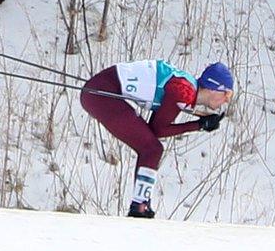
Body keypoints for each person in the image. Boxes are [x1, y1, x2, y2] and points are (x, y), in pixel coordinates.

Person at [79, 59, 234, 219]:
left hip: (99, 89)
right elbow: (157, 129)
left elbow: (172, 113)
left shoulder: (187, 87)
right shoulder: (183, 90)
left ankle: (140, 205)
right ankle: (139, 206)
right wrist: (199, 125)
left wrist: (201, 122)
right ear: (214, 89)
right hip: (100, 93)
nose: (228, 100)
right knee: (152, 148)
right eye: (227, 94)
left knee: (152, 148)